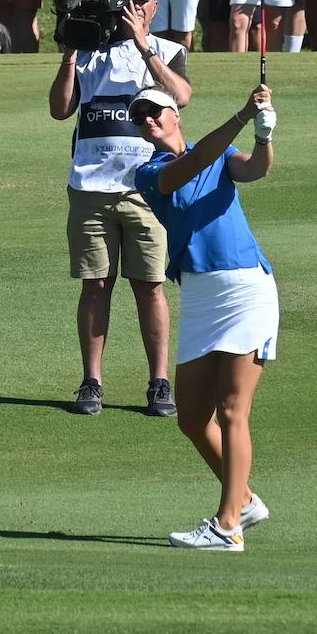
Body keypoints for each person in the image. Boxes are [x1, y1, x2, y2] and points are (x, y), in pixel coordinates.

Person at [131, 82, 277, 551]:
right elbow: (190, 166)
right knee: (192, 417)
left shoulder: (219, 149)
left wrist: (263, 134)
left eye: (155, 111)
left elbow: (254, 170)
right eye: (140, 117)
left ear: (176, 114)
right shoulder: (149, 173)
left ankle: (228, 525)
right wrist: (240, 115)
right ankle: (246, 499)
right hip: (198, 296)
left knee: (233, 410)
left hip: (245, 290)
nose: (148, 120)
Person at [48, 0, 193, 418]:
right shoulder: (89, 52)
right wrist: (70, 51)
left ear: (153, 8)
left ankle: (159, 382)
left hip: (147, 187)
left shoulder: (168, 50)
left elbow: (182, 97)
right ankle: (92, 381)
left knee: (150, 287)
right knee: (96, 285)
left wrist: (142, 46)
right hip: (90, 186)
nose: (132, 6)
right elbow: (59, 109)